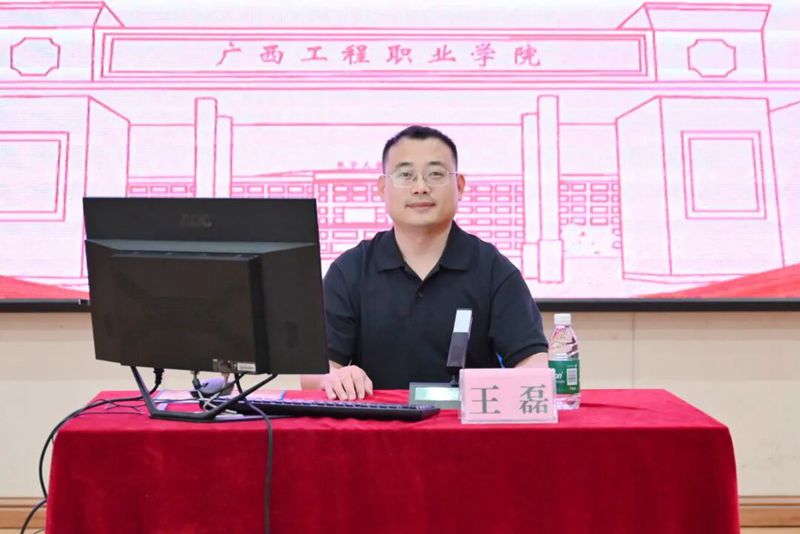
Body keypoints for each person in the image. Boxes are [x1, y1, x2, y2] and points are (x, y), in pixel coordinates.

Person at [301, 125, 548, 400]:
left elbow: (533, 362)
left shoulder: (493, 269)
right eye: (405, 175)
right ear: (382, 188)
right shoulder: (350, 270)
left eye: (436, 174)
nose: (420, 188)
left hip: (465, 424)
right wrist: (335, 376)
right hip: (376, 424)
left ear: (460, 186)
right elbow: (313, 373)